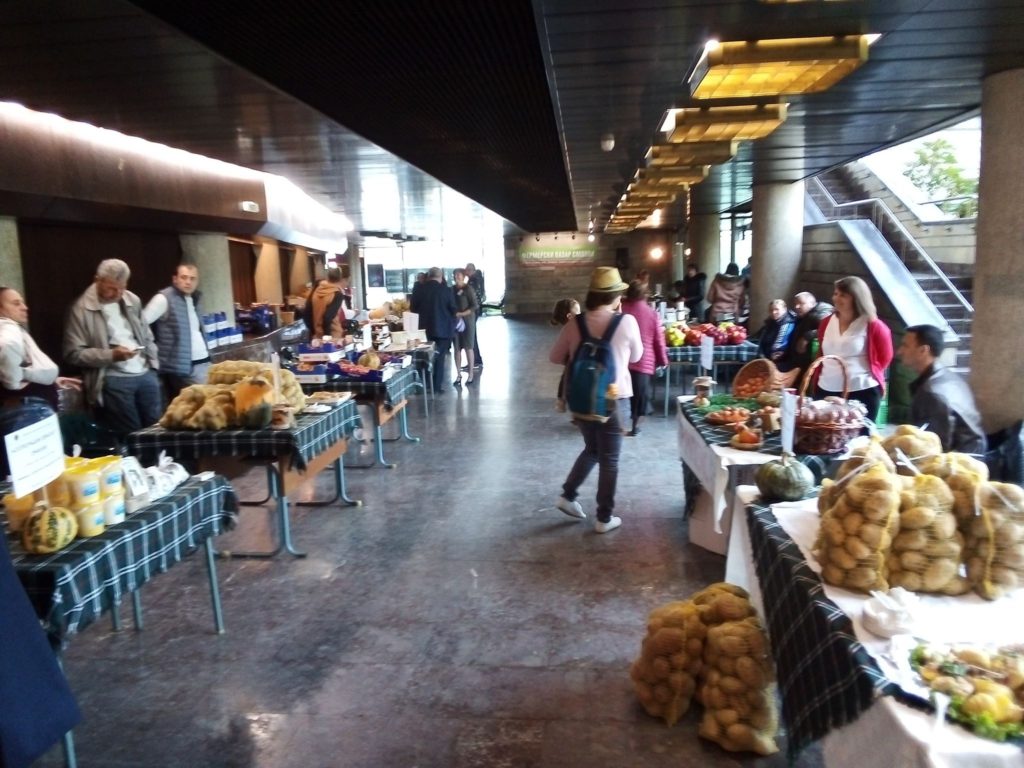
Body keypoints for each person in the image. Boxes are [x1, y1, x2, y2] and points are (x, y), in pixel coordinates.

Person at [549, 267, 643, 533]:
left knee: (592, 449)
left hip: (581, 398)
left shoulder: (575, 323)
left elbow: (555, 357)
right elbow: (637, 356)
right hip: (614, 399)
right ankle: (604, 517)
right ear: (614, 296)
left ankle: (568, 495)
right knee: (609, 459)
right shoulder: (626, 322)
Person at [63, 258, 162, 435]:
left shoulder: (132, 299)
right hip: (113, 378)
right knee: (131, 435)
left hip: (145, 373)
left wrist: (153, 366)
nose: (118, 293)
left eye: (122, 287)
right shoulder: (80, 309)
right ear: (97, 280)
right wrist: (111, 355)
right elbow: (73, 353)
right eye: (112, 288)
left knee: (157, 430)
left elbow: (147, 335)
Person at [813, 276, 893, 422]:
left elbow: (885, 357)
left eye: (843, 295)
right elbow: (822, 353)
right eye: (835, 294)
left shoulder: (873, 325)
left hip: (862, 390)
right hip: (826, 388)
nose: (836, 298)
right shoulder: (825, 323)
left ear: (857, 298)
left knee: (859, 435)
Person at [898, 324, 986, 454]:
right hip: (971, 450)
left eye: (905, 346)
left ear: (923, 351)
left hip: (962, 460)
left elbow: (932, 450)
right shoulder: (946, 376)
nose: (899, 351)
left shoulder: (932, 393)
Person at [0, 286, 81, 409]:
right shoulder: (8, 327)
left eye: (22, 302)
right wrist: (17, 381)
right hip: (28, 410)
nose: (24, 307)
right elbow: (8, 345)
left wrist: (48, 379)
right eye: (16, 304)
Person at [142, 263, 211, 401]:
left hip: (203, 361)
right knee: (201, 405)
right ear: (175, 279)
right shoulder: (164, 298)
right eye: (184, 277)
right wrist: (151, 351)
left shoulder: (195, 298)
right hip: (183, 368)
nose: (188, 282)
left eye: (192, 278)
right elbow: (140, 324)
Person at [621, 280, 668, 437]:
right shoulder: (651, 313)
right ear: (645, 294)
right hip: (643, 361)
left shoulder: (621, 309)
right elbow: (658, 341)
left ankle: (615, 424)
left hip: (622, 358)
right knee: (640, 396)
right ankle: (635, 427)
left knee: (620, 393)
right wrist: (662, 361)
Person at [410, 266, 457, 393]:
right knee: (439, 358)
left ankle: (425, 384)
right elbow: (453, 309)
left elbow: (413, 308)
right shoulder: (446, 290)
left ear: (428, 276)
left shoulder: (419, 289)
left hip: (423, 331)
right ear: (441, 277)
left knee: (424, 357)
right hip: (443, 330)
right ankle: (436, 386)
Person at [784, 291, 834, 374]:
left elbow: (828, 329)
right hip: (798, 362)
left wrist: (806, 337)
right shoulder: (804, 315)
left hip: (809, 364)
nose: (796, 307)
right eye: (795, 304)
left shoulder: (821, 314)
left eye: (801, 303)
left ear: (811, 303)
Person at [302, 267, 354, 338]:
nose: (347, 284)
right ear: (340, 279)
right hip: (333, 336)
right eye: (347, 281)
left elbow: (306, 314)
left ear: (328, 277)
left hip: (317, 336)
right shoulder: (337, 294)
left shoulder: (316, 290)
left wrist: (314, 331)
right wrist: (327, 338)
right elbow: (327, 317)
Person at [550, 298, 581, 412]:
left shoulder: (568, 329)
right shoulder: (571, 329)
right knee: (566, 375)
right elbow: (554, 356)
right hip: (576, 361)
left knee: (566, 375)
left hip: (572, 362)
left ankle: (561, 399)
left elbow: (556, 356)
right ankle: (561, 399)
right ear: (570, 316)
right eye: (578, 312)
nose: (581, 314)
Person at [452, 268, 479, 387]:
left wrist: (462, 314)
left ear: (463, 276)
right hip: (455, 321)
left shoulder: (468, 289)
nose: (456, 276)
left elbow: (474, 305)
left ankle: (471, 374)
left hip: (468, 321)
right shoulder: (452, 289)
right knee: (457, 348)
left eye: (459, 274)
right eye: (455, 274)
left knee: (469, 347)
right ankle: (458, 375)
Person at [757, 300, 797, 364]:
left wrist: (764, 359)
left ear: (784, 309)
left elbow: (778, 347)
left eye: (777, 309)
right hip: (766, 355)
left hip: (779, 359)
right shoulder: (771, 322)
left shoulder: (787, 323)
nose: (773, 312)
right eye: (771, 310)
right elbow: (760, 336)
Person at [465, 262, 485, 368]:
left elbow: (470, 296)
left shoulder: (473, 281)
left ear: (471, 270)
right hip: (476, 310)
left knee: (471, 336)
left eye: (467, 270)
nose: (465, 272)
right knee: (472, 335)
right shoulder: (478, 279)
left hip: (472, 311)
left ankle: (475, 360)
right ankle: (475, 360)